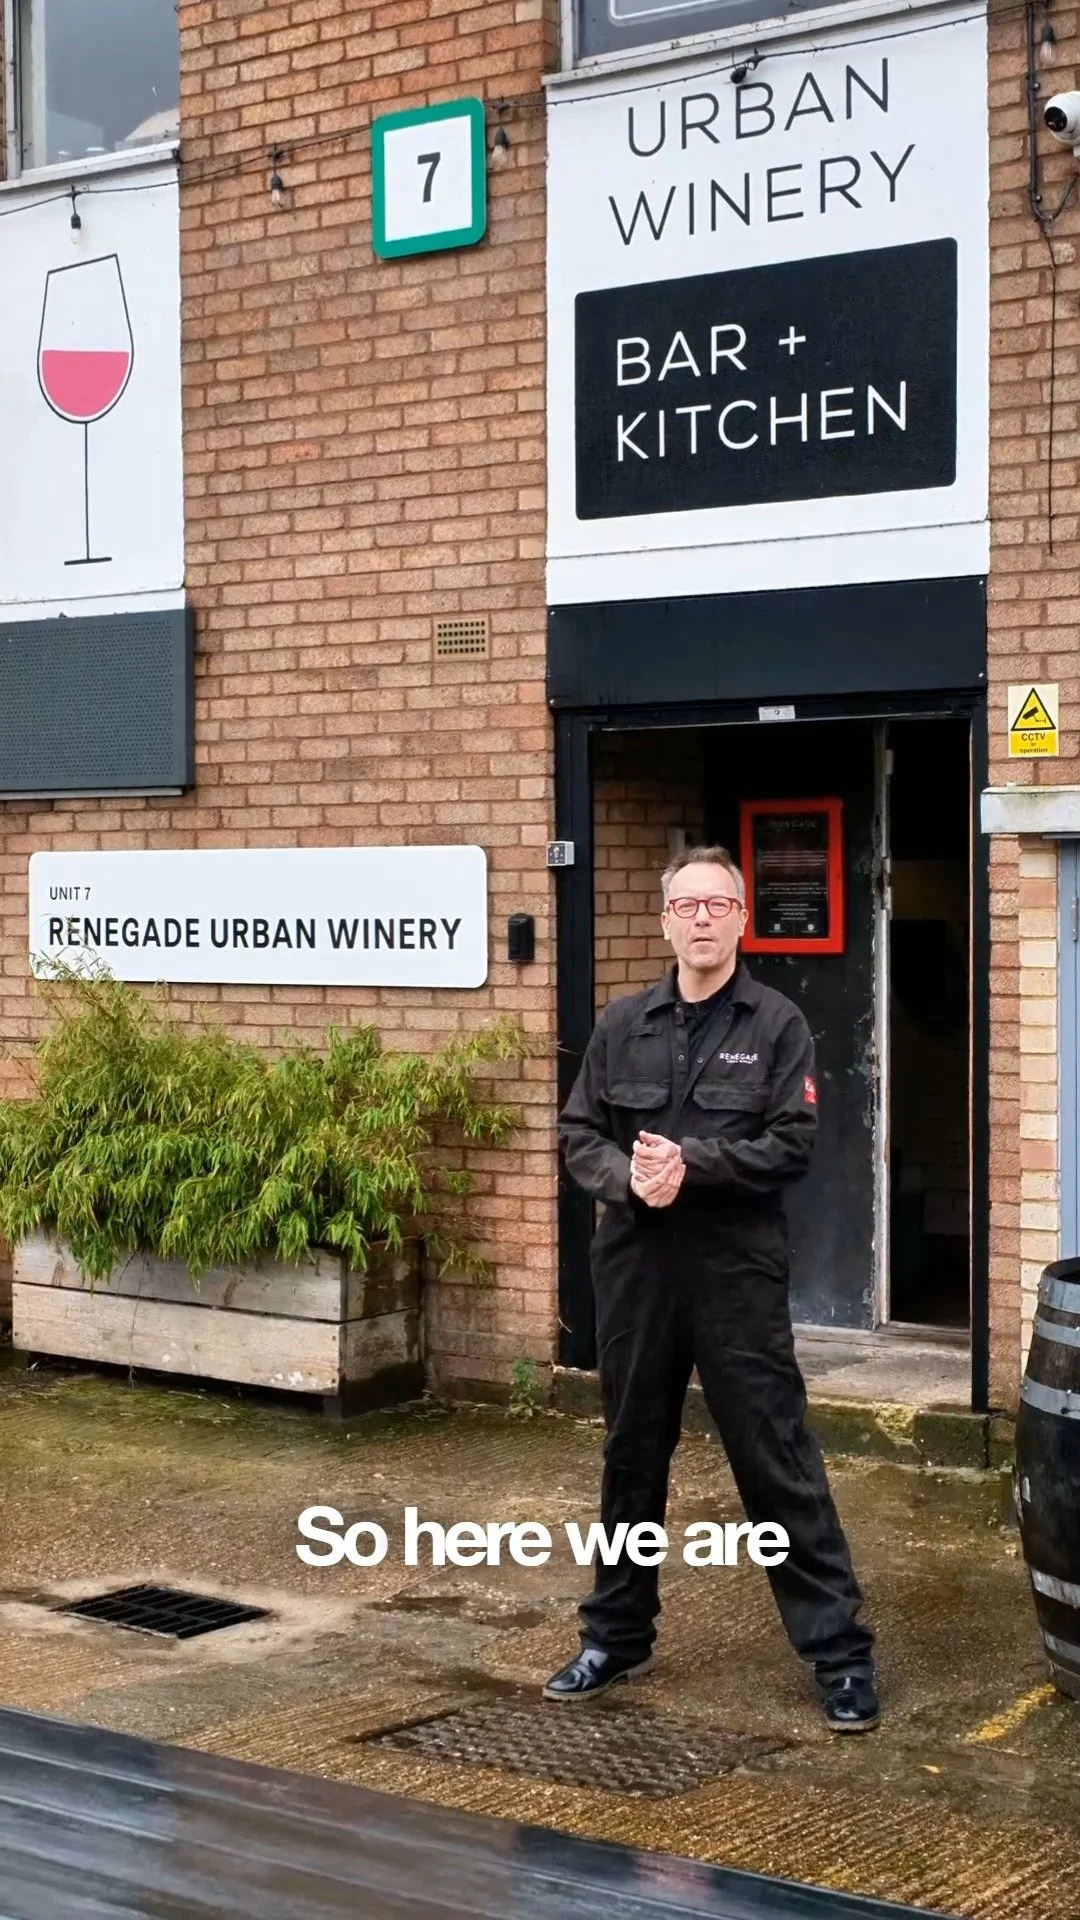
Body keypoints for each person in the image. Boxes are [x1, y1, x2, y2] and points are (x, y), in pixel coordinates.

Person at [545, 844, 878, 1732]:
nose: (701, 918)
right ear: (665, 921)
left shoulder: (776, 1024)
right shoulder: (623, 1023)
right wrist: (627, 1178)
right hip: (637, 1266)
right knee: (631, 1451)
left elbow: (792, 1143)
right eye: (686, 905)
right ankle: (615, 1636)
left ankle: (840, 1654)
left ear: (741, 920)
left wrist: (691, 1165)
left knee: (774, 1453)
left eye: (717, 905)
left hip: (736, 1268)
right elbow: (579, 1134)